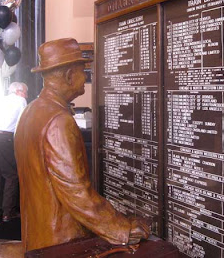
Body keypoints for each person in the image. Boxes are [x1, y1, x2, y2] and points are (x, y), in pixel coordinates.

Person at [14, 38, 150, 253]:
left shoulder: (30, 111)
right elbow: (77, 192)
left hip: (37, 234)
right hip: (61, 240)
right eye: (82, 71)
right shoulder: (59, 121)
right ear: (69, 76)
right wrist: (122, 229)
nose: (85, 77)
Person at [0, 81, 28, 223]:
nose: (27, 95)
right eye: (26, 92)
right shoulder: (21, 100)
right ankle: (8, 212)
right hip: (4, 138)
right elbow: (23, 124)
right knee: (11, 175)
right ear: (19, 91)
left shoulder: (0, 99)